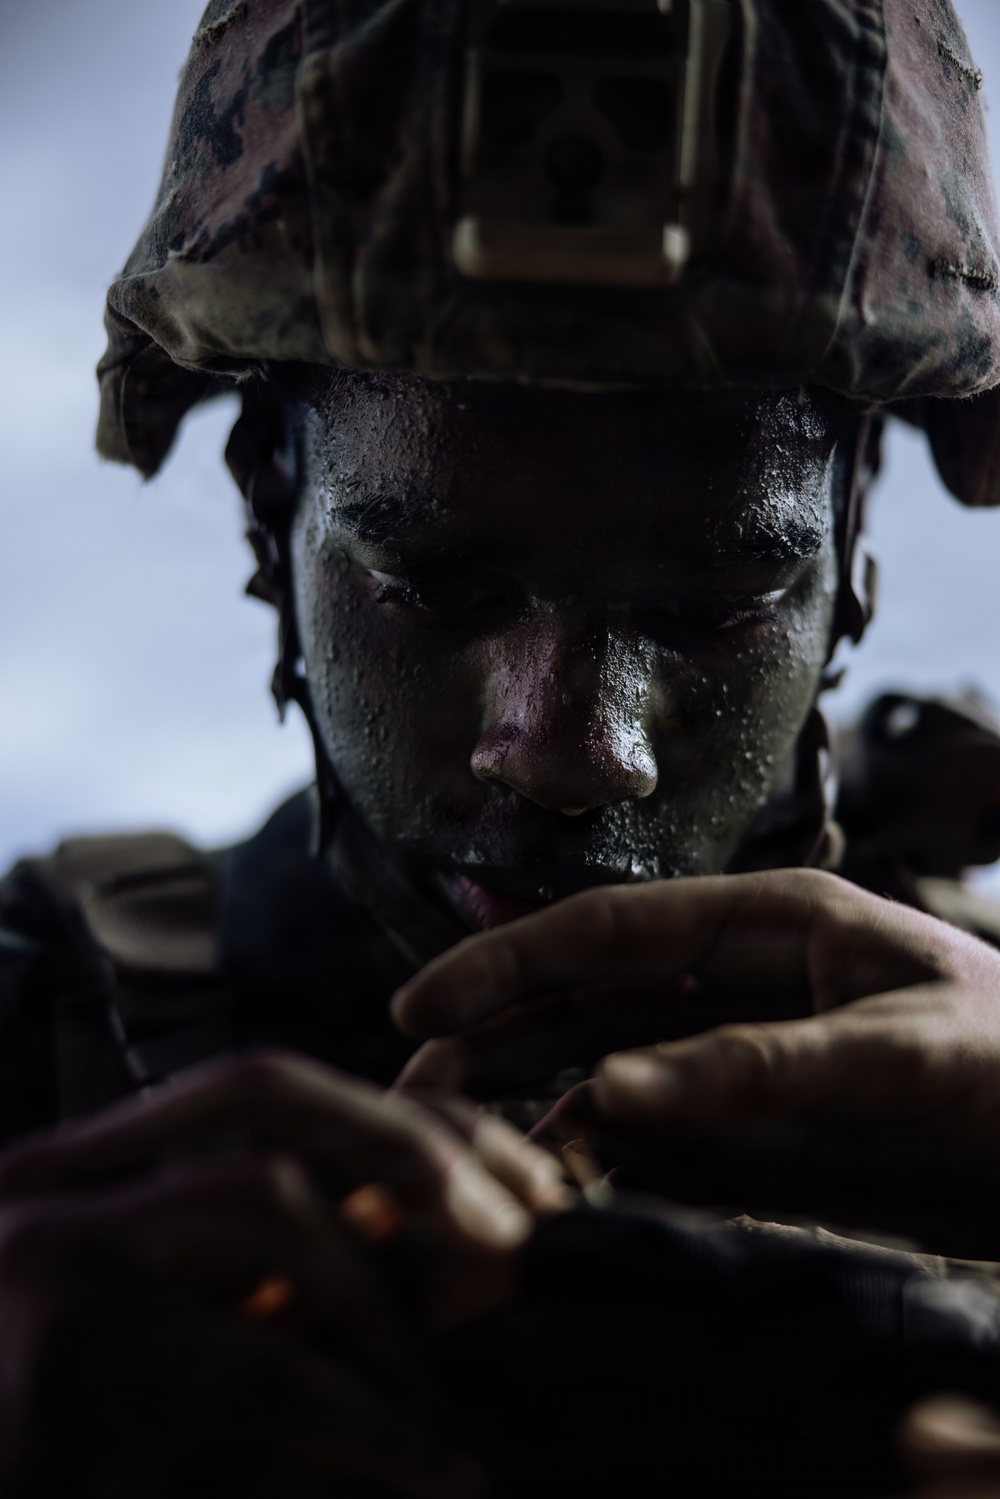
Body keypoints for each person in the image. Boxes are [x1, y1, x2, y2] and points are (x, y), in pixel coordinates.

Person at [5, 0, 1000, 1492]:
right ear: (270, 511)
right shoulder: (41, 1047)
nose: (570, 751)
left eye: (715, 610)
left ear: (854, 558)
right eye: (435, 590)